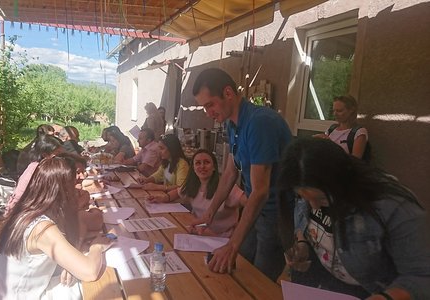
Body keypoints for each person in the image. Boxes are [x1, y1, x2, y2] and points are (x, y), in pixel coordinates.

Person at [278, 138, 430, 299]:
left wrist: (386, 298)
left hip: (372, 290)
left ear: (342, 181)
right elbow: (316, 228)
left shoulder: (393, 207)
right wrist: (304, 245)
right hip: (329, 285)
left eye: (322, 199)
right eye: (303, 197)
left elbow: (423, 276)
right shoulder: (308, 186)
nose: (314, 206)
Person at [190, 68, 292, 281]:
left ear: (228, 93)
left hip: (276, 215)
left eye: (210, 105)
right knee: (234, 268)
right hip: (256, 212)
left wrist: (232, 245)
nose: (208, 113)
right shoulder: (232, 123)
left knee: (257, 280)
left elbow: (260, 191)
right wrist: (210, 213)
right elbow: (229, 172)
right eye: (204, 107)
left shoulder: (259, 122)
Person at [0, 156, 112, 299]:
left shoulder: (27, 212)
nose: (79, 190)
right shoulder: (41, 228)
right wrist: (97, 246)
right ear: (62, 192)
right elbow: (90, 272)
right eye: (75, 185)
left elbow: (82, 226)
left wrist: (75, 252)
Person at [148, 149, 244, 237]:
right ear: (193, 168)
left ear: (214, 167)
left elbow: (249, 202)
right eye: (198, 163)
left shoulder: (226, 187)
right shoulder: (193, 185)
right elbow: (178, 192)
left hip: (223, 238)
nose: (202, 166)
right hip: (200, 233)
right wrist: (163, 198)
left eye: (206, 162)